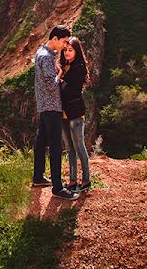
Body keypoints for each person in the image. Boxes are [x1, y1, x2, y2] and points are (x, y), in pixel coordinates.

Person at [32, 25, 79, 200]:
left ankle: (38, 177)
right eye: (64, 41)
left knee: (41, 141)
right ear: (55, 39)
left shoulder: (41, 53)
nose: (65, 45)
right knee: (55, 146)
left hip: (44, 106)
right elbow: (52, 84)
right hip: (52, 107)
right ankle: (58, 188)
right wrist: (60, 73)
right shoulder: (46, 57)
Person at [59, 37, 91, 191]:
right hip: (63, 113)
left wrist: (58, 78)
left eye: (70, 50)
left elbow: (70, 90)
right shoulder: (64, 67)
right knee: (69, 148)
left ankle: (86, 180)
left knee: (79, 147)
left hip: (76, 113)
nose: (67, 53)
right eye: (65, 50)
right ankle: (72, 181)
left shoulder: (79, 68)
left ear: (77, 51)